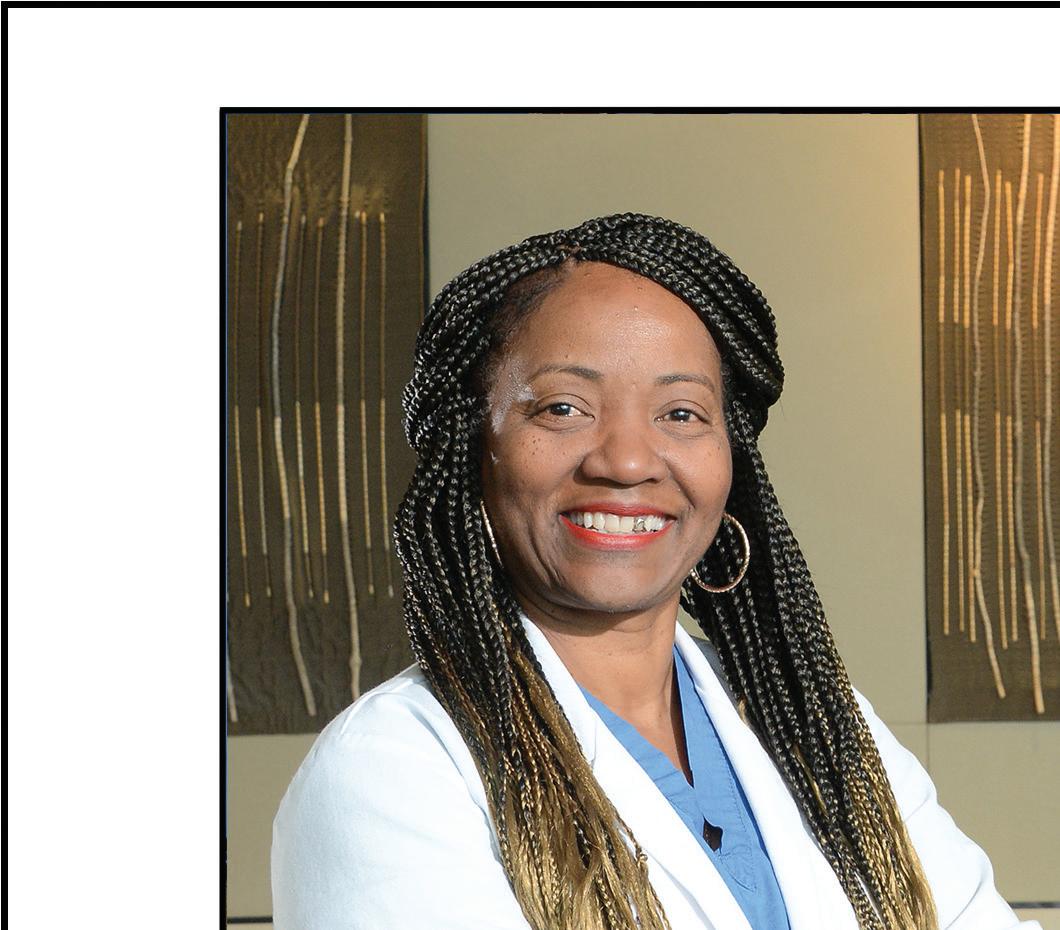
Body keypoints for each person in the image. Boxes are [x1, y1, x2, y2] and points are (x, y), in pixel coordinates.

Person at [271, 213, 1038, 930]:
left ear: (729, 461)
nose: (628, 461)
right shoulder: (392, 770)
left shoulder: (822, 725)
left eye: (680, 414)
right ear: (474, 450)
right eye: (563, 408)